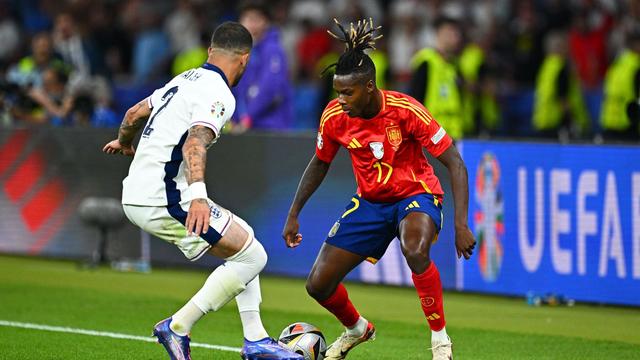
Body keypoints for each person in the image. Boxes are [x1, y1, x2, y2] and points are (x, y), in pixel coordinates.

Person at [103, 22, 302, 360]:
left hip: (140, 191)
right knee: (254, 256)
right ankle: (178, 327)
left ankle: (256, 338)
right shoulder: (220, 94)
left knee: (246, 244)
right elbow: (196, 142)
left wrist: (124, 141)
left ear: (210, 51)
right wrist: (197, 196)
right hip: (163, 196)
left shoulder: (184, 79)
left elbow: (134, 112)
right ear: (244, 60)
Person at [282, 19, 476, 360]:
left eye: (348, 92)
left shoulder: (405, 110)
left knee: (415, 250)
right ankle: (357, 328)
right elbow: (320, 163)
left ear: (369, 87)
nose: (340, 99)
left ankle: (440, 341)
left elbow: (455, 163)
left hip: (416, 196)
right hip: (370, 202)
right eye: (337, 91)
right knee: (317, 285)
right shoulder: (334, 117)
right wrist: (294, 212)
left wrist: (460, 224)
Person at [232, 0, 293, 132]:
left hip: (270, 128)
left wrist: (248, 118)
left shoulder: (273, 49)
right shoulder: (242, 51)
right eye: (247, 18)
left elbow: (269, 88)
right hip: (244, 127)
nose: (251, 24)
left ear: (265, 22)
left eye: (256, 19)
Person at [532, 31, 590, 142]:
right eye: (565, 46)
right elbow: (563, 98)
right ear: (560, 48)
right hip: (557, 123)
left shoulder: (545, 67)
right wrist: (572, 122)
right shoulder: (561, 69)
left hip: (543, 120)